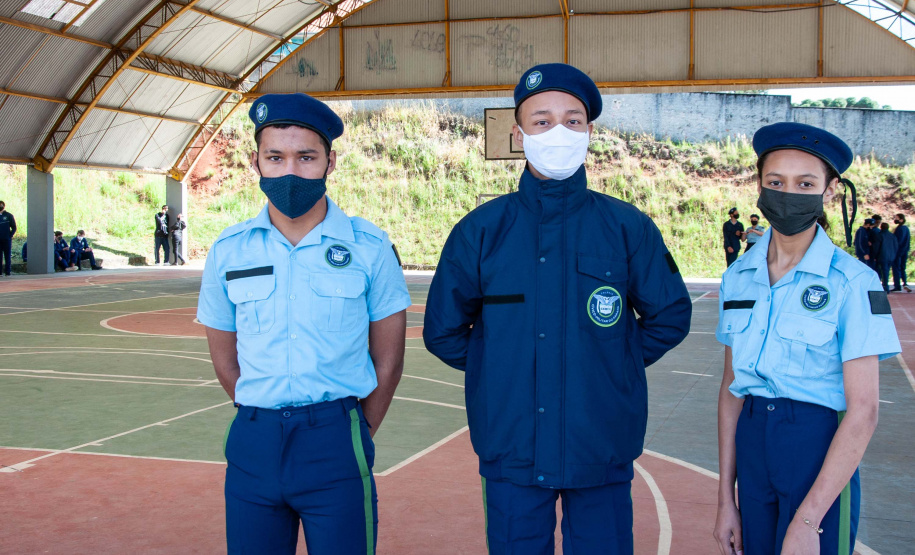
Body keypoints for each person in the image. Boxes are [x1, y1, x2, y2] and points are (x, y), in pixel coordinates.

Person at [423, 63, 692, 554]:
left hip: (601, 440)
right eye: (542, 121)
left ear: (590, 131)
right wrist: (501, 366)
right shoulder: (481, 231)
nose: (559, 132)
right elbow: (442, 329)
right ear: (518, 132)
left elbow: (670, 315)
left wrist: (611, 362)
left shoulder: (627, 227)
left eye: (573, 120)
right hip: (512, 443)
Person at [197, 93, 411, 555]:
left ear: (330, 163)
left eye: (306, 157)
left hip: (336, 439)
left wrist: (351, 429)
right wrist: (262, 412)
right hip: (254, 443)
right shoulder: (229, 250)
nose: (290, 171)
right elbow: (224, 358)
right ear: (256, 161)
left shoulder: (370, 248)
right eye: (275, 157)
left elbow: (388, 360)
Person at [714, 122, 900, 555]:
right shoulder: (738, 277)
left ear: (829, 191)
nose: (788, 193)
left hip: (817, 449)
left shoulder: (855, 282)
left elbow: (865, 410)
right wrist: (726, 499)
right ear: (759, 185)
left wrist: (810, 517)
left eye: (805, 183)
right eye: (776, 182)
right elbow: (729, 391)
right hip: (752, 441)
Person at [878, 222, 898, 293]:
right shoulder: (892, 236)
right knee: (887, 271)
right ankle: (886, 286)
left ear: (881, 227)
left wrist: (875, 256)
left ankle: (884, 286)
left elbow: (877, 247)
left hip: (882, 256)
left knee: (882, 271)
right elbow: (896, 246)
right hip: (891, 256)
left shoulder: (880, 235)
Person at [892, 213, 910, 292]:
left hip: (898, 252)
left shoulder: (900, 229)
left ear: (901, 220)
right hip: (905, 251)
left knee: (896, 268)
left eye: (897, 218)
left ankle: (897, 285)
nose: (895, 219)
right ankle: (905, 283)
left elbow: (898, 241)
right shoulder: (906, 228)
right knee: (902, 268)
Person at [0, 200, 16, 276]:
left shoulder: (9, 216)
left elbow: (14, 227)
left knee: (7, 256)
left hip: (7, 240)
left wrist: (10, 236)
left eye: (1, 205)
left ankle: (8, 272)